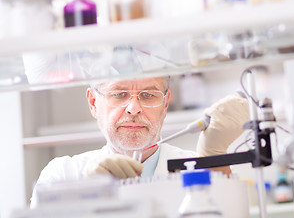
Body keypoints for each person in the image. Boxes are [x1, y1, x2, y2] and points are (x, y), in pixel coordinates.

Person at [30, 75, 249, 207]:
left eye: (148, 95)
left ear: (165, 104)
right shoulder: (61, 176)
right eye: (119, 94)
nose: (134, 108)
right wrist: (89, 193)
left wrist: (215, 159)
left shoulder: (200, 167)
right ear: (93, 102)